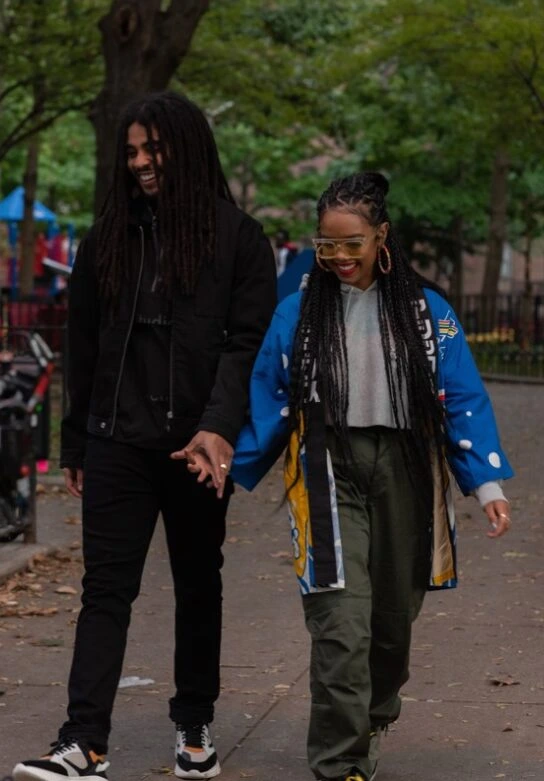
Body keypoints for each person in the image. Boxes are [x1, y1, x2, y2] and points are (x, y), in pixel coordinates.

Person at [186, 172, 514, 781]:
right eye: (326, 243)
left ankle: (373, 715)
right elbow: (268, 396)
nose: (338, 257)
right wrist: (226, 459)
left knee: (391, 625)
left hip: (407, 471)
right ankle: (339, 765)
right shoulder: (298, 311)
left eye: (352, 243)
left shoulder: (425, 309)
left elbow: (462, 398)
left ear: (381, 235)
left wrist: (488, 485)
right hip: (327, 468)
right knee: (340, 624)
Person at [13, 91, 276, 781]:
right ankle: (84, 741)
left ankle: (194, 722)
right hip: (117, 442)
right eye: (130, 152)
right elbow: (85, 347)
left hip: (197, 448)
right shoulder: (108, 238)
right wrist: (75, 441)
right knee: (105, 588)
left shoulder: (238, 238)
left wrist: (218, 428)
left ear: (183, 148)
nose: (139, 163)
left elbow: (246, 343)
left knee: (198, 582)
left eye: (151, 149)